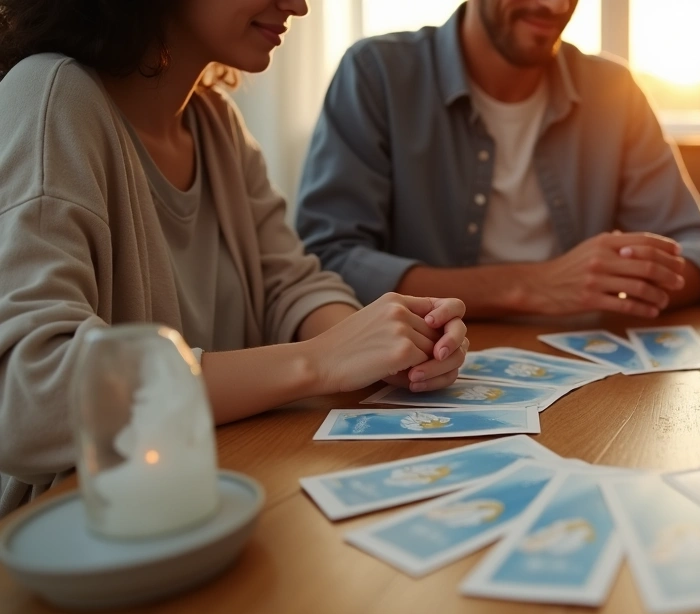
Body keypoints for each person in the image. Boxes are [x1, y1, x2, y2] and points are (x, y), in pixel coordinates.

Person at [0, 0, 469, 515]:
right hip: (86, 533)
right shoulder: (48, 96)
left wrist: (381, 350)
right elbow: (30, 397)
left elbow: (289, 286)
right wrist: (320, 361)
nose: (299, 5)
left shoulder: (216, 121)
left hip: (212, 501)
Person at [294, 0, 700, 320]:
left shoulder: (614, 89)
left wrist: (615, 282)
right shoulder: (377, 74)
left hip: (589, 366)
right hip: (429, 370)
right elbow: (332, 261)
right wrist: (535, 286)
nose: (555, 5)